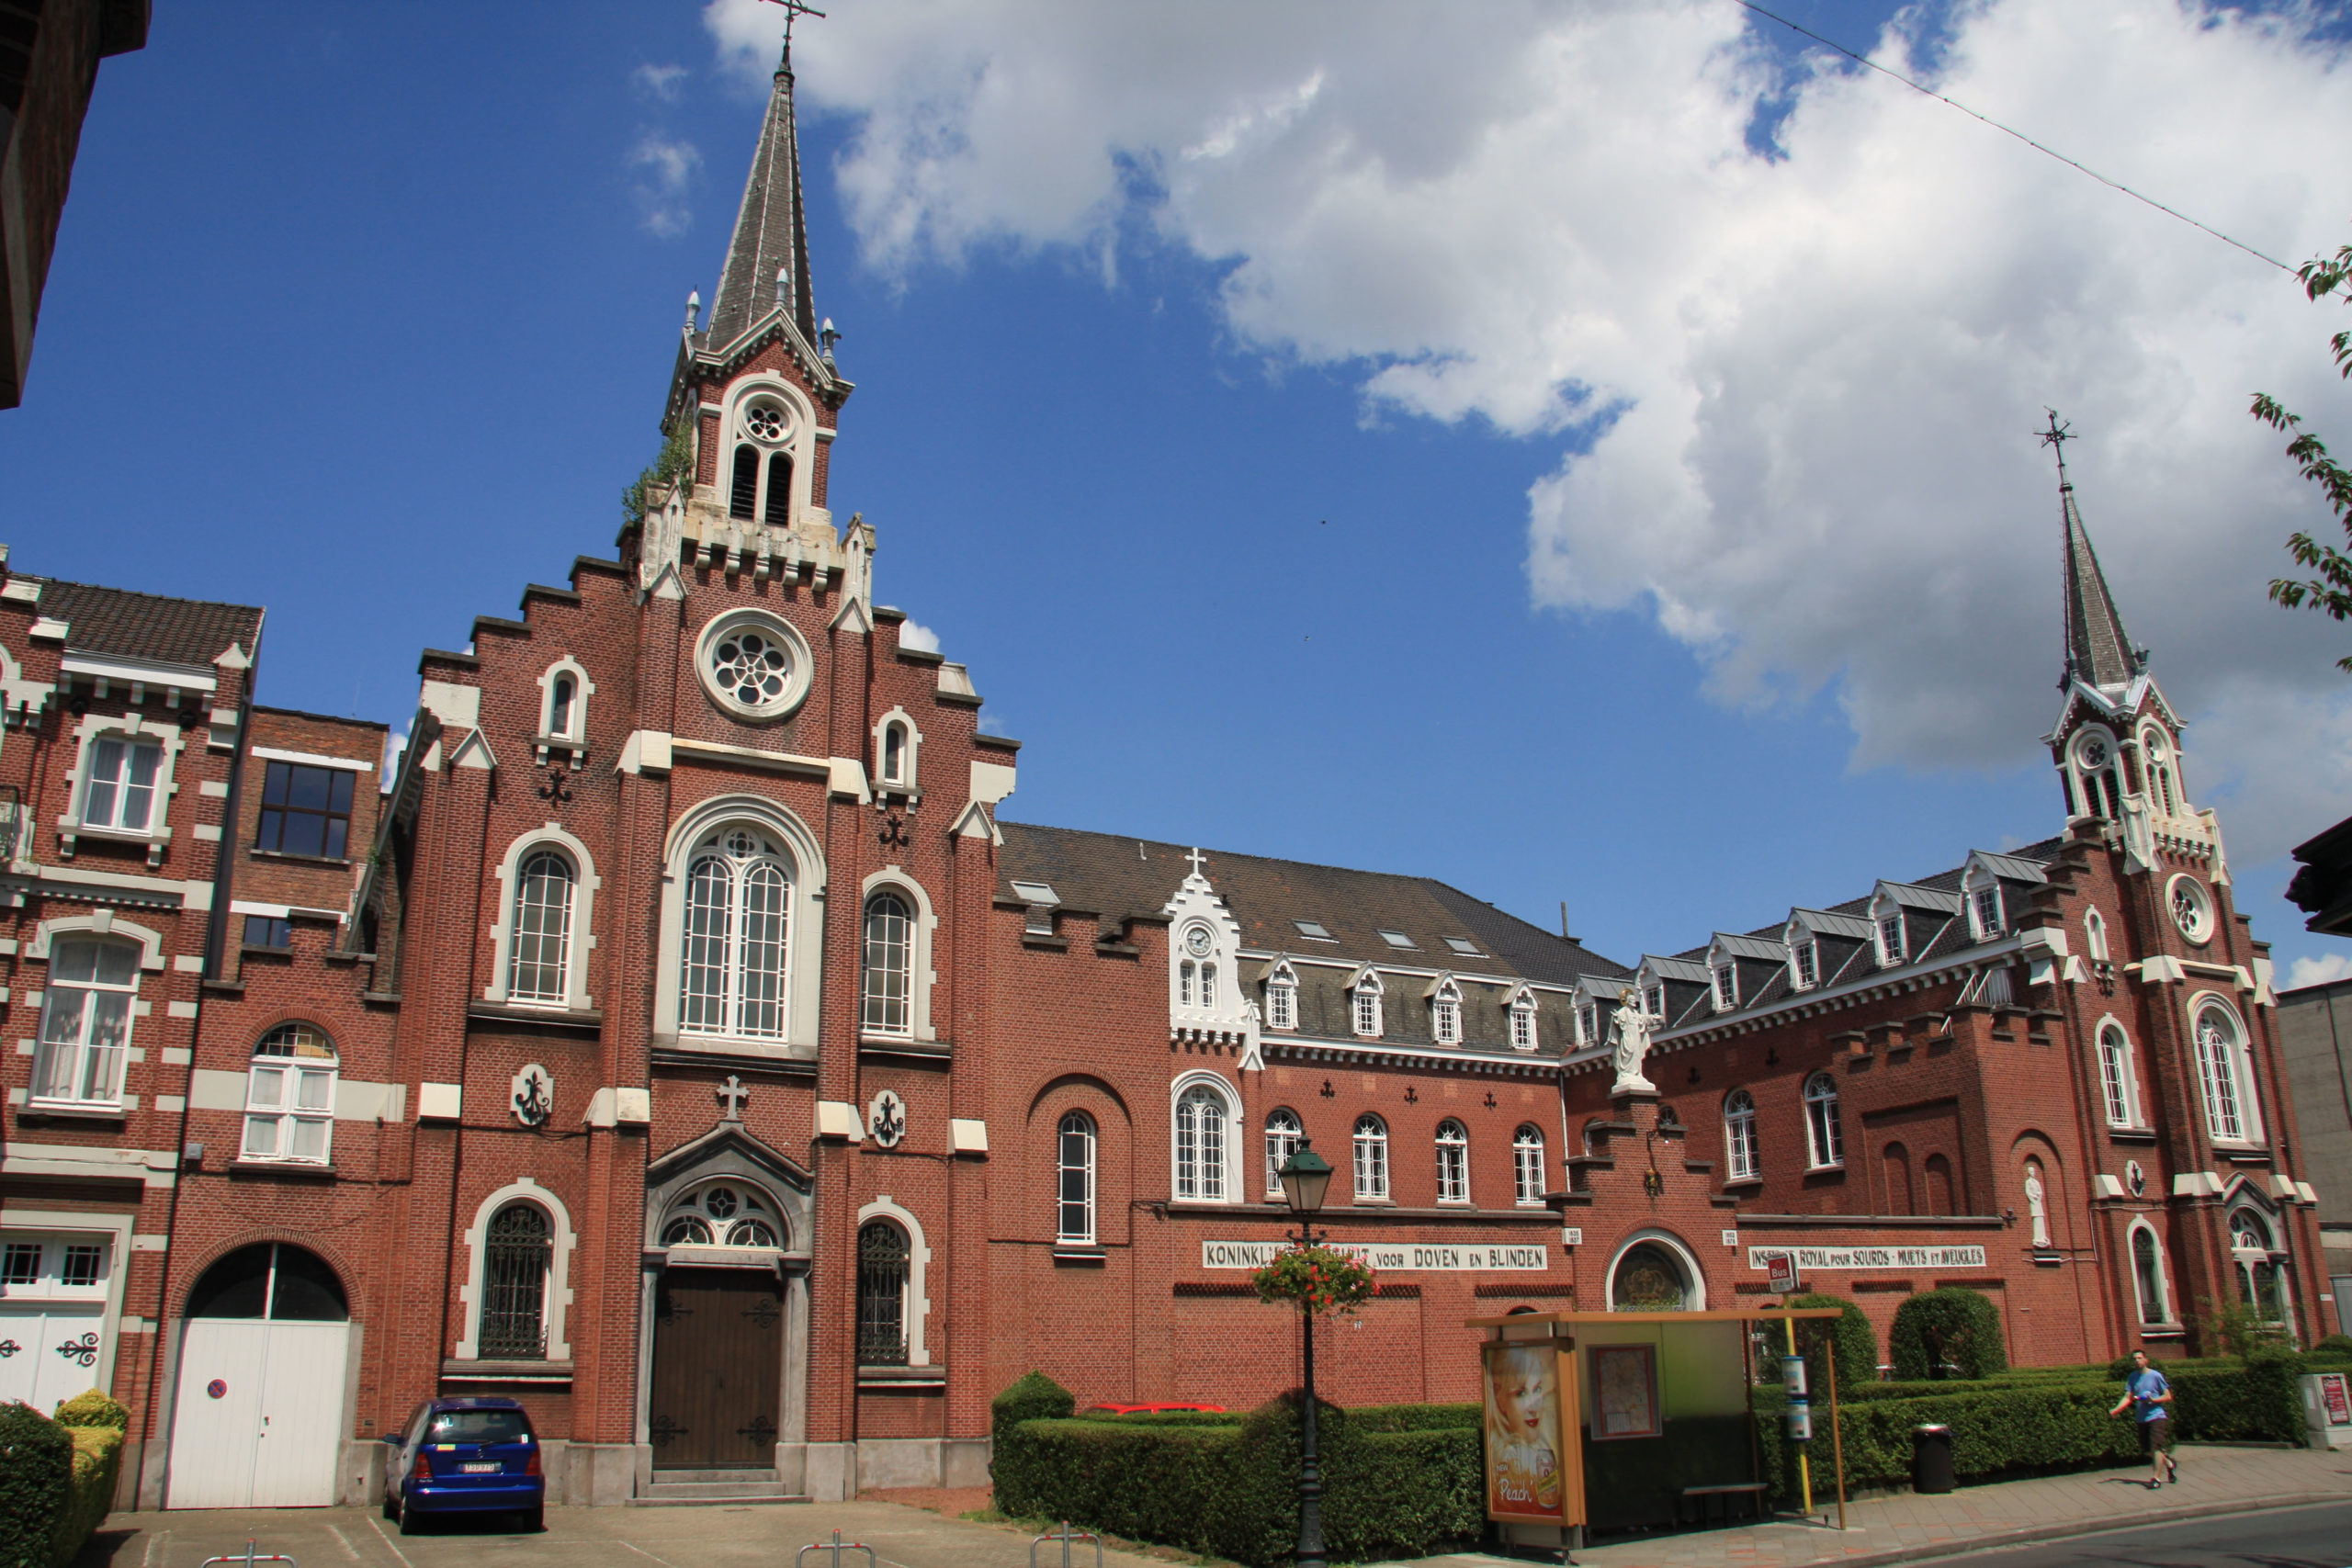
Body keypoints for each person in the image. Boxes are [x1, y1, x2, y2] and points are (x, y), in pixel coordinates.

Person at [2109, 1348, 2177, 1488]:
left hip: (2157, 1416)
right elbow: (2128, 1397)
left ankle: (2156, 1479)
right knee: (2148, 1450)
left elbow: (2168, 1396)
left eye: (2139, 1358)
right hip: (2142, 1417)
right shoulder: (2133, 1377)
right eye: (2134, 1359)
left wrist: (2153, 1399)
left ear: (2146, 1360)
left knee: (2156, 1447)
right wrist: (2117, 1409)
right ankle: (2170, 1464)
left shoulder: (2156, 1376)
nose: (2137, 1361)